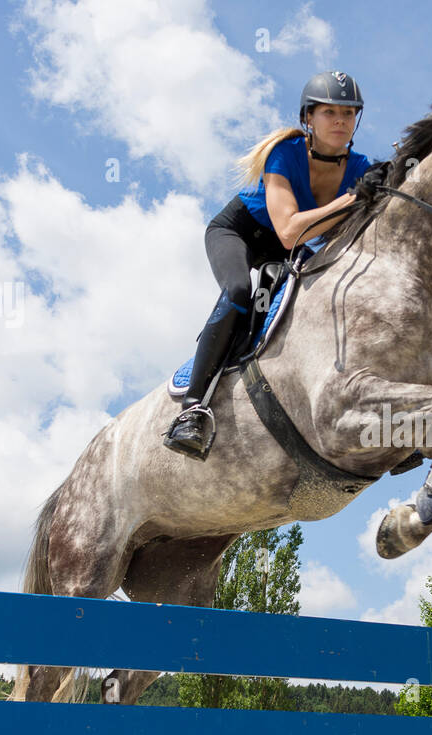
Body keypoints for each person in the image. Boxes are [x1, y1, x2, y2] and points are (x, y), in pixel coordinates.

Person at [165, 70, 388, 459]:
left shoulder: (361, 166)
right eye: (329, 112)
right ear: (309, 119)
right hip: (241, 232)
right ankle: (192, 410)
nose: (340, 121)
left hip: (286, 254)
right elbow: (288, 231)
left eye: (349, 113)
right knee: (238, 291)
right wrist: (353, 199)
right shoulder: (283, 153)